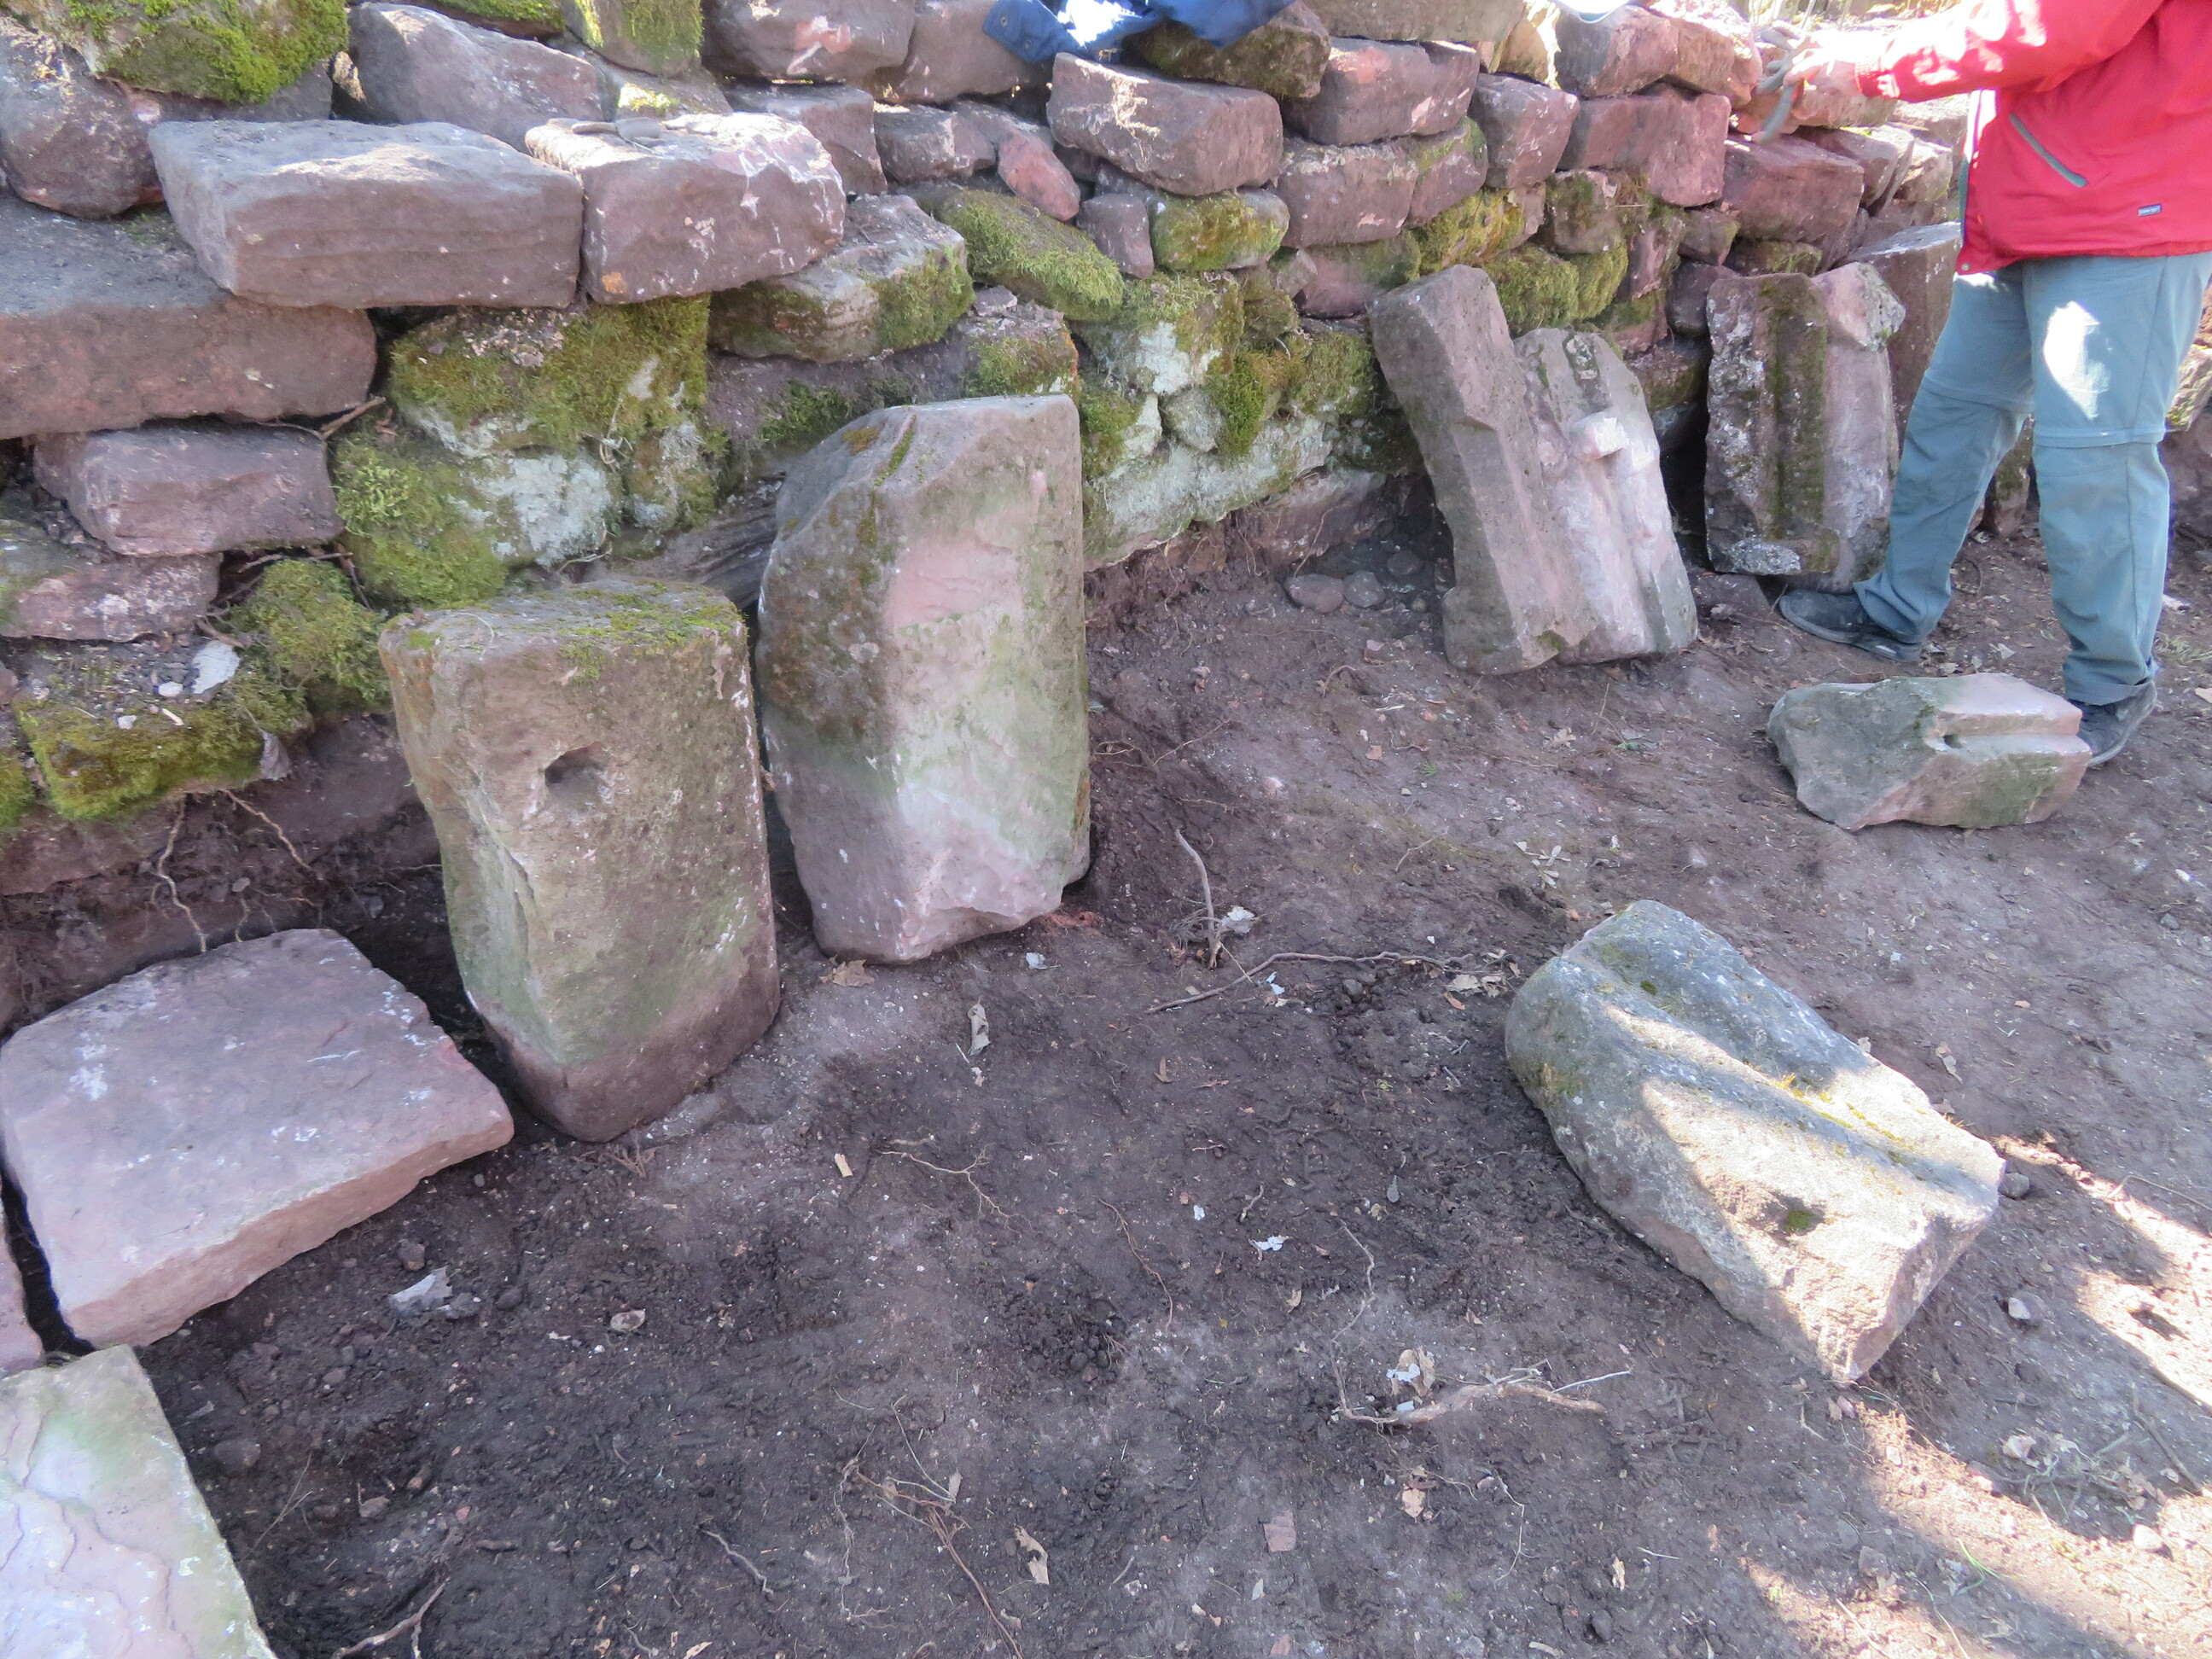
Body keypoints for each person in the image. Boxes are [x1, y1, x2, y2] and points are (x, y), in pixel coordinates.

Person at [1767, 0, 2212, 765]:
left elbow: (2046, 24)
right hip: (2030, 203)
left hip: (2129, 216)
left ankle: (2112, 681)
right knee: (1956, 415)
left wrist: (1872, 62)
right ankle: (1897, 609)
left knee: (2095, 461)